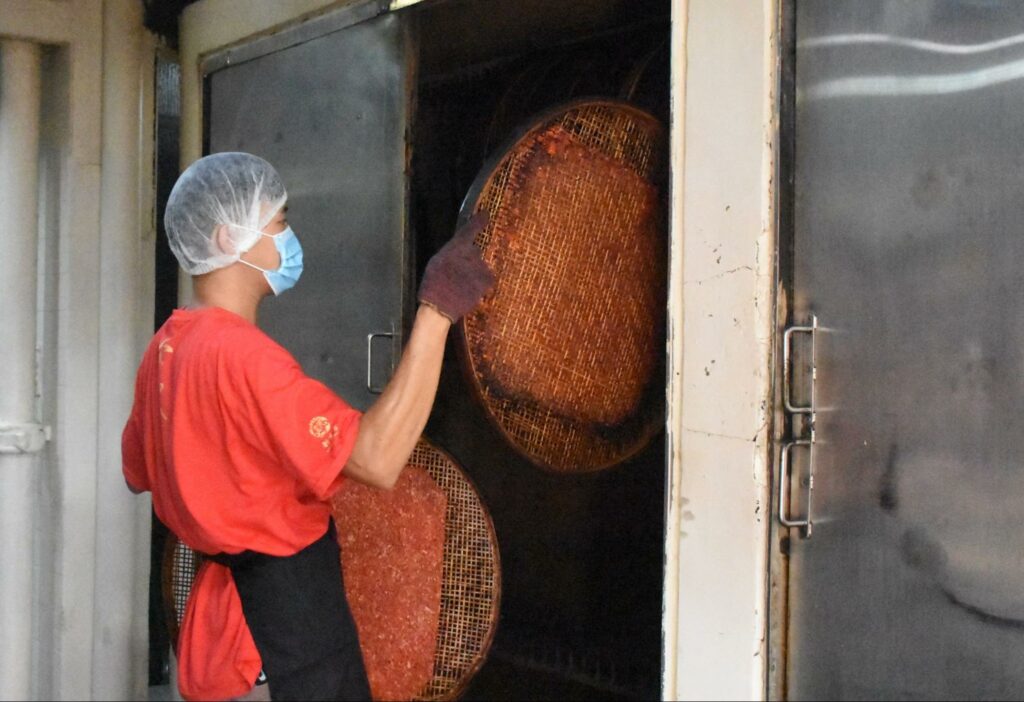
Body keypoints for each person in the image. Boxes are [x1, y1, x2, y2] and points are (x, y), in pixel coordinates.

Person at [121, 152, 494, 701]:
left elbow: (137, 471)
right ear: (230, 239)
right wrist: (436, 310)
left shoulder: (167, 346)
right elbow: (378, 458)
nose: (289, 238)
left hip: (225, 605)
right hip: (280, 617)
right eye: (279, 224)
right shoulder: (244, 357)